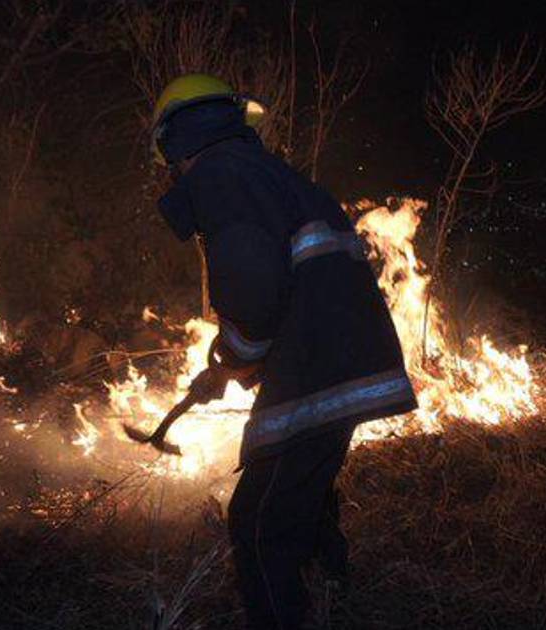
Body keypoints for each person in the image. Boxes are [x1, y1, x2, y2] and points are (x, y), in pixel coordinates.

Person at [151, 73, 417, 629]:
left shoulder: (222, 178)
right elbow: (293, 290)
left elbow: (254, 289)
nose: (170, 172)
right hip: (341, 362)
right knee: (304, 492)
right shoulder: (269, 175)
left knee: (258, 524)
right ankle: (333, 592)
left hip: (317, 372)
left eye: (168, 160)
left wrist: (236, 356)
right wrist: (232, 363)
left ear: (178, 139)